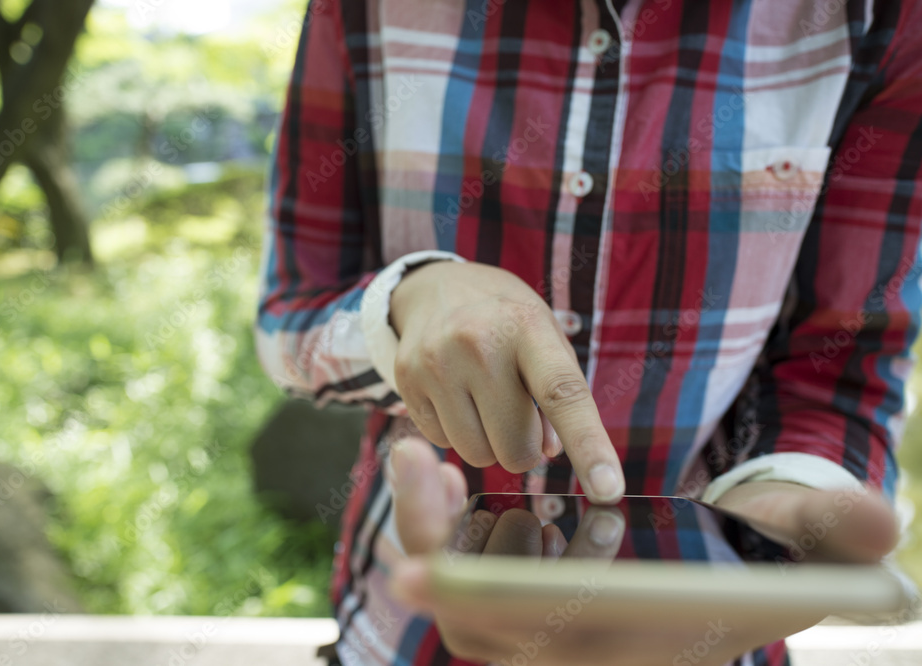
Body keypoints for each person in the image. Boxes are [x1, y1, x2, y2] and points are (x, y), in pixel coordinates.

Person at [255, 0, 922, 663]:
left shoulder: (882, 16)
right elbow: (291, 314)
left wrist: (792, 496)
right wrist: (407, 302)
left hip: (709, 639)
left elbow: (843, 363)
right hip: (403, 630)